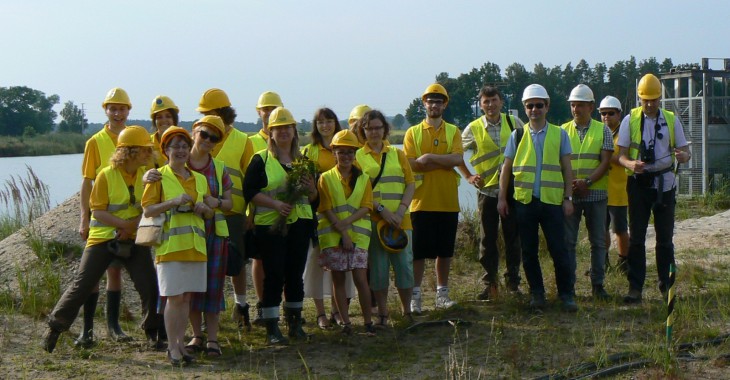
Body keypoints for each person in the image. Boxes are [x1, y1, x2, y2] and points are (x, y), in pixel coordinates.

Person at [42, 126, 162, 354]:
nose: (149, 153)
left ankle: (154, 333)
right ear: (130, 151)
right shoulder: (106, 175)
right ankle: (55, 328)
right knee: (82, 284)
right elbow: (97, 212)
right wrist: (123, 225)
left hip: (134, 238)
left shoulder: (148, 175)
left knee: (149, 286)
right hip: (102, 238)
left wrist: (131, 227)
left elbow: (148, 208)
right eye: (145, 149)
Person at [497, 84, 577, 312]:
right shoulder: (517, 135)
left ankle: (566, 294)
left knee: (558, 250)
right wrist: (503, 198)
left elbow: (566, 168)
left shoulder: (559, 134)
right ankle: (537, 294)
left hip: (552, 202)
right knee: (529, 252)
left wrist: (568, 198)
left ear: (547, 106)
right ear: (524, 108)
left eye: (539, 105)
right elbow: (506, 169)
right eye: (530, 106)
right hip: (525, 202)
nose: (534, 110)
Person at [243, 107, 317, 345]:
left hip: (301, 225)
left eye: (288, 127)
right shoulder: (261, 159)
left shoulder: (304, 161)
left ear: (295, 131)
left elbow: (316, 199)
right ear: (270, 133)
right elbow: (249, 192)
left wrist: (312, 189)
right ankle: (272, 326)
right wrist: (275, 204)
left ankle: (295, 323)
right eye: (278, 128)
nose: (284, 132)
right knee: (274, 275)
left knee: (295, 274)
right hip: (270, 226)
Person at [142, 126, 214, 365]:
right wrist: (172, 201)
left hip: (195, 247)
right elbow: (148, 209)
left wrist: (205, 210)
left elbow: (208, 212)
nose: (181, 151)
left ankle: (181, 345)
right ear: (166, 151)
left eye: (184, 146)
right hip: (170, 246)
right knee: (174, 298)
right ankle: (172, 347)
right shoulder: (158, 176)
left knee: (186, 299)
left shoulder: (200, 179)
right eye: (176, 147)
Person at [617, 73, 691, 304]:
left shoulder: (671, 120)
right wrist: (631, 164)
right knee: (637, 238)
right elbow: (621, 156)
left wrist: (683, 156)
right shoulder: (630, 120)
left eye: (654, 99)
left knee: (665, 239)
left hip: (664, 185)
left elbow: (686, 153)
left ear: (660, 98)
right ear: (639, 98)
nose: (649, 104)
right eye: (645, 100)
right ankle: (635, 288)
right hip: (638, 184)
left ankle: (666, 286)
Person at [77, 88, 133, 346]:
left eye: (122, 108)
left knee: (114, 271)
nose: (117, 113)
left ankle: (113, 326)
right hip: (100, 215)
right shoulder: (95, 141)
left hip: (125, 219)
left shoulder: (135, 138)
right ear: (106, 110)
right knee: (90, 274)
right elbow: (87, 181)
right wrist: (83, 218)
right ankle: (87, 330)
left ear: (128, 111)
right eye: (113, 108)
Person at [196, 89, 255, 331]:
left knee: (236, 262)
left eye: (208, 113)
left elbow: (252, 181)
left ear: (222, 113)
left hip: (233, 213)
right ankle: (206, 314)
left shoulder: (243, 140)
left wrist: (252, 213)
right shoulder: (200, 139)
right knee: (206, 263)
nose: (205, 118)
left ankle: (241, 306)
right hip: (202, 214)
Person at [458, 85, 523, 301]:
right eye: (485, 101)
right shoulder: (473, 128)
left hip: (512, 190)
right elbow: (456, 154)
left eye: (494, 100)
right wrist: (468, 176)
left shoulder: (514, 123)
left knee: (513, 238)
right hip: (487, 190)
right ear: (480, 104)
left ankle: (513, 283)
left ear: (501, 102)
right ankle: (490, 285)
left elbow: (529, 150)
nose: (490, 105)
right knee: (487, 239)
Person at [403, 83, 464, 313]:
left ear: (445, 104)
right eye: (430, 101)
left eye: (438, 101)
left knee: (445, 251)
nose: (434, 105)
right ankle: (415, 296)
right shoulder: (412, 133)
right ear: (424, 104)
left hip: (448, 201)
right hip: (420, 201)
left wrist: (428, 158)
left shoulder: (453, 131)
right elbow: (409, 164)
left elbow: (458, 159)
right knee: (418, 253)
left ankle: (442, 294)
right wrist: (442, 161)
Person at [355, 110, 415, 324]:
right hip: (374, 221)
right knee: (379, 269)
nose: (374, 132)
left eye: (378, 127)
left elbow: (410, 183)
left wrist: (400, 211)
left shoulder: (397, 154)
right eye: (369, 128)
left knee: (404, 267)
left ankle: (407, 311)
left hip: (401, 220)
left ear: (385, 129)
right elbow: (360, 191)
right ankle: (382, 312)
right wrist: (381, 210)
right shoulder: (358, 157)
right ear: (363, 131)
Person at [181, 116, 233, 357]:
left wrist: (217, 202)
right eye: (204, 134)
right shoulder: (178, 165)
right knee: (191, 287)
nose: (208, 140)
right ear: (194, 133)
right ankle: (196, 335)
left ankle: (212, 338)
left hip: (214, 236)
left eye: (214, 138)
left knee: (213, 287)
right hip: (187, 236)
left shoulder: (220, 168)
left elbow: (230, 203)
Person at [301, 107, 355, 329]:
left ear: (336, 123)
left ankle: (338, 310)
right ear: (315, 125)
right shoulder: (308, 151)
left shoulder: (345, 145)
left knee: (341, 264)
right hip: (317, 214)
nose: (325, 125)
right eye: (320, 122)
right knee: (317, 263)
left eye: (329, 121)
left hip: (343, 214)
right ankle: (320, 313)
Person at [317, 130, 376, 336]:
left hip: (358, 236)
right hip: (333, 236)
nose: (345, 157)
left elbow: (366, 206)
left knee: (361, 279)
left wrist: (347, 227)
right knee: (338, 279)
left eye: (350, 152)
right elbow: (326, 207)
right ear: (334, 153)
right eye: (341, 152)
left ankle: (368, 321)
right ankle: (345, 322)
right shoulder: (325, 178)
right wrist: (343, 233)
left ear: (355, 154)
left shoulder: (364, 178)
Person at [560, 84, 613, 300]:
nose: (575, 109)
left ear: (591, 106)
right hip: (572, 195)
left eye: (580, 105)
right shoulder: (562, 130)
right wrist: (572, 184)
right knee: (569, 242)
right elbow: (561, 163)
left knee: (598, 242)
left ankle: (597, 285)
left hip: (596, 195)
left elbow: (605, 162)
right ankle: (569, 286)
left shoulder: (603, 130)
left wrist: (587, 182)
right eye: (573, 105)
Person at [247, 90, 284, 325]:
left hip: (283, 214)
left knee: (282, 263)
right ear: (258, 112)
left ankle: (281, 307)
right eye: (265, 109)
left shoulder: (286, 138)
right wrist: (248, 213)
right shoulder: (250, 142)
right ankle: (262, 305)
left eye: (273, 109)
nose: (268, 113)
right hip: (257, 213)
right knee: (259, 260)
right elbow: (247, 181)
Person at [599, 96, 630, 273]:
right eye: (603, 113)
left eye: (611, 113)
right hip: (601, 189)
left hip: (619, 190)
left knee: (619, 228)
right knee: (601, 228)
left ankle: (624, 260)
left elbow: (626, 159)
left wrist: (606, 157)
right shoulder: (598, 133)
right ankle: (602, 261)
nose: (606, 117)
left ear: (619, 114)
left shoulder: (625, 135)